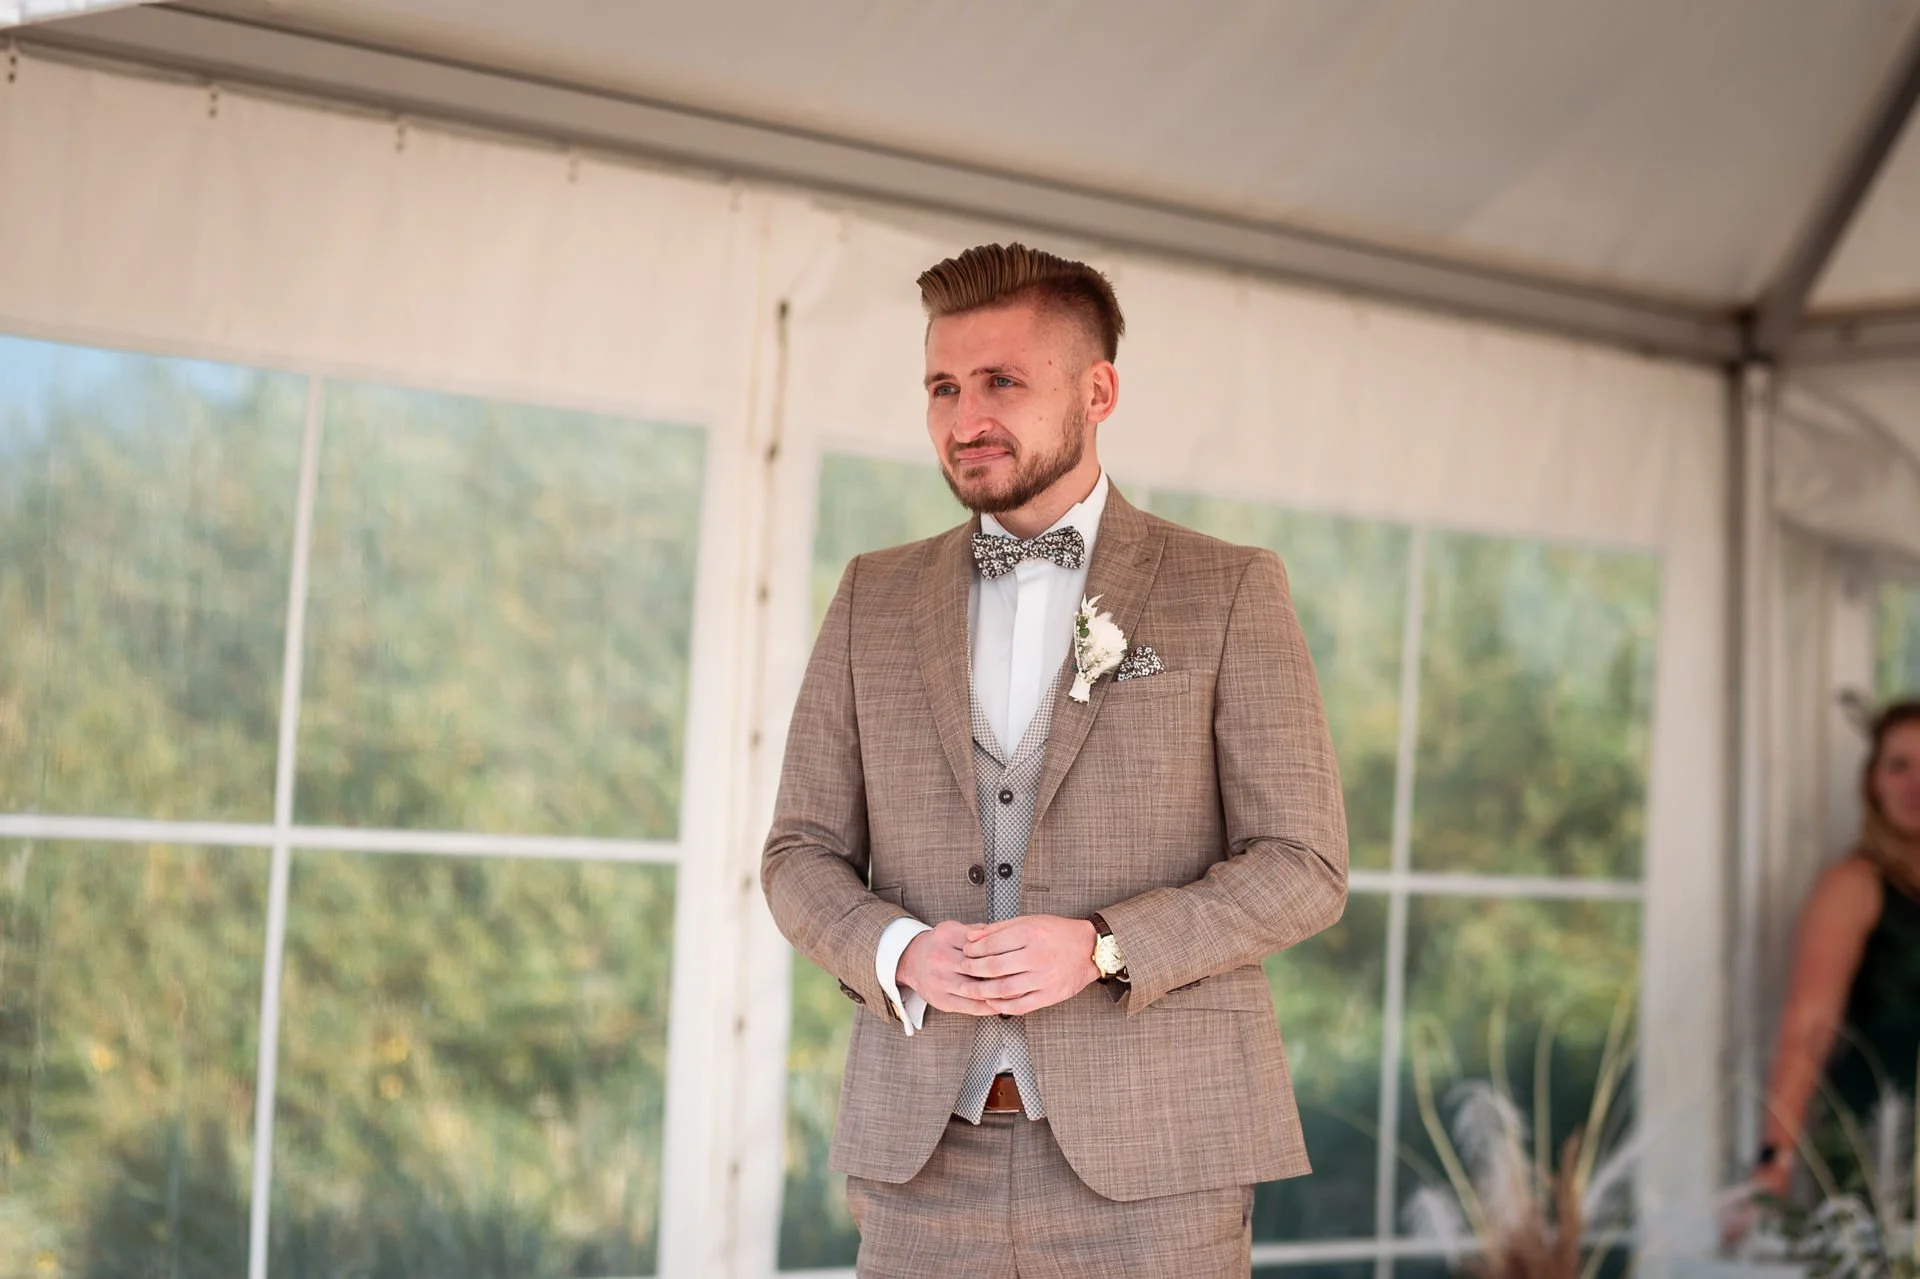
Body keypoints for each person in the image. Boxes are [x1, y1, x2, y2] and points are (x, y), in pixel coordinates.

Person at [760, 242, 1349, 1277]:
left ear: (1098, 390)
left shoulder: (1228, 589)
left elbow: (1304, 864)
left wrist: (1106, 947)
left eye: (1001, 382)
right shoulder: (872, 597)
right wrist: (898, 948)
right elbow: (798, 853)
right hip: (921, 1165)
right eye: (943, 386)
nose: (964, 417)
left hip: (1158, 1164)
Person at [1751, 698, 1920, 1204]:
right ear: (1873, 781)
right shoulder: (1854, 886)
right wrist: (1772, 1162)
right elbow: (1807, 1028)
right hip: (1884, 1149)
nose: (1916, 783)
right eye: (1899, 765)